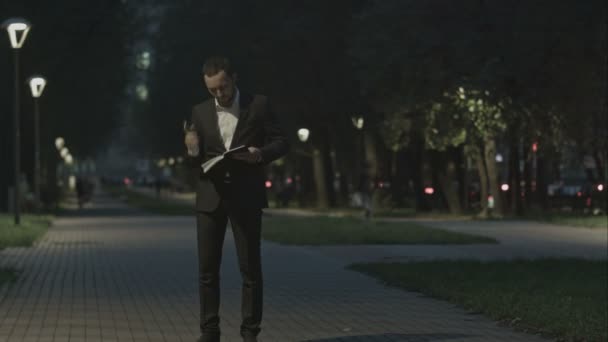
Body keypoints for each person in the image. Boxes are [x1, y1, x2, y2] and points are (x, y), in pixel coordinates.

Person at [184, 56, 289, 342]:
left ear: (234, 78)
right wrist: (192, 152)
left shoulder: (259, 105)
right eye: (213, 90)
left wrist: (260, 154)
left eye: (224, 87)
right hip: (210, 198)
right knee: (207, 269)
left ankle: (250, 332)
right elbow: (194, 162)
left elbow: (281, 141)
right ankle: (209, 331)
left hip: (246, 196)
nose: (220, 94)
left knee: (250, 269)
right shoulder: (199, 111)